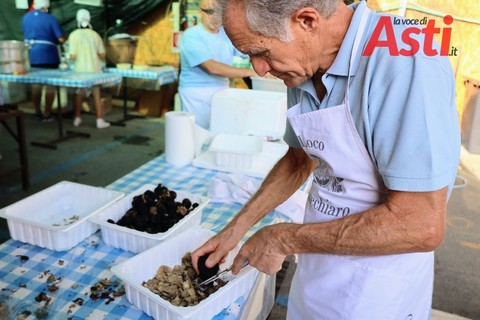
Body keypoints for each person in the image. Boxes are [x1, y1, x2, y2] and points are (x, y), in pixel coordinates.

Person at [191, 0, 461, 319]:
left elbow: (420, 225)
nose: (257, 69)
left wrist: (282, 238)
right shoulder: (304, 62)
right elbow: (297, 161)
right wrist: (235, 230)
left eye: (261, 52)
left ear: (307, 21)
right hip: (317, 259)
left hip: (379, 286)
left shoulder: (407, 59)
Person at [178, 0, 257, 129]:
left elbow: (247, 52)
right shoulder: (191, 35)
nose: (214, 16)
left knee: (218, 133)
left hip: (222, 90)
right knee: (197, 135)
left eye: (219, 12)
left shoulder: (226, 35)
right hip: (196, 93)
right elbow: (211, 67)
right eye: (209, 11)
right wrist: (252, 72)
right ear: (200, 12)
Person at [22, 0, 65, 121]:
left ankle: (37, 111)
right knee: (50, 84)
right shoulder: (50, 18)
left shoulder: (26, 18)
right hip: (48, 54)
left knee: (36, 84)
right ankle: (47, 113)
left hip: (32, 54)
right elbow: (61, 38)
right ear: (46, 7)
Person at [68, 9, 110, 129]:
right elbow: (102, 55)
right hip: (94, 70)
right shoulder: (95, 35)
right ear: (89, 19)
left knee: (79, 94)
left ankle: (77, 118)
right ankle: (99, 120)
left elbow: (73, 56)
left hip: (80, 71)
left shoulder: (74, 35)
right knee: (96, 94)